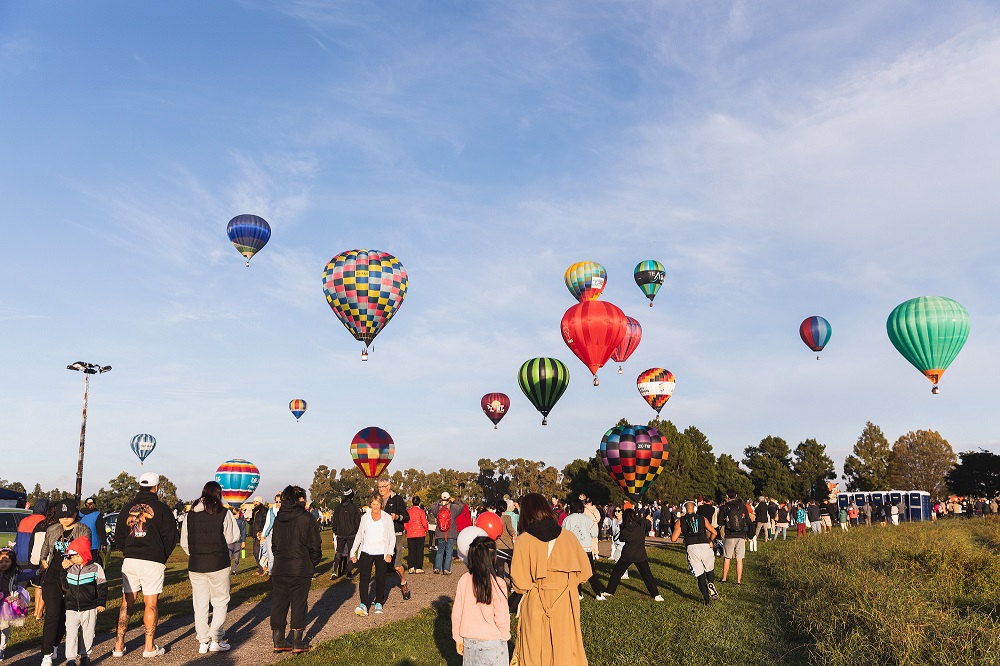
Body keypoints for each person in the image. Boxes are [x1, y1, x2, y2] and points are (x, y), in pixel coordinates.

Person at [510, 493, 590, 666]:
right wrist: (567, 582)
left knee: (535, 650)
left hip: (536, 600)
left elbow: (520, 584)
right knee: (565, 647)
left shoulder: (523, 541)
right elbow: (584, 572)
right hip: (565, 600)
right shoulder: (568, 537)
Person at [112, 472, 178, 658]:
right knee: (150, 603)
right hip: (152, 561)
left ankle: (118, 646)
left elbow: (119, 537)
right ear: (156, 487)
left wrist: (128, 551)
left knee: (126, 603)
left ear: (139, 486)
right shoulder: (163, 509)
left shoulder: (126, 508)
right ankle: (149, 647)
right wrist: (162, 555)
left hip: (130, 560)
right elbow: (171, 538)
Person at [180, 481, 242, 654]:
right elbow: (233, 537)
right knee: (220, 601)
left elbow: (184, 542)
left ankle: (203, 640)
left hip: (196, 564)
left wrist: (196, 553)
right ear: (218, 494)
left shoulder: (190, 515)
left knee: (200, 603)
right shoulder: (224, 513)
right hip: (218, 562)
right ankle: (216, 638)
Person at [39, 498, 93, 666]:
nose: (65, 519)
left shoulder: (83, 530)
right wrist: (43, 560)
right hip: (52, 577)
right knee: (53, 614)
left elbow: (86, 554)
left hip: (73, 578)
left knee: (65, 615)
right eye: (61, 516)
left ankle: (56, 645)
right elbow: (45, 548)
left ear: (75, 514)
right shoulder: (52, 529)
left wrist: (71, 561)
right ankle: (47, 653)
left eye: (68, 515)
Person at [270, 485, 322, 653]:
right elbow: (315, 545)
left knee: (279, 604)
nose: (305, 501)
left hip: (280, 567)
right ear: (298, 499)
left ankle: (278, 640)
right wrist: (312, 563)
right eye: (303, 498)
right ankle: (297, 642)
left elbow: (274, 545)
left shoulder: (278, 518)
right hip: (300, 567)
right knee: (299, 604)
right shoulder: (307, 518)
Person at [451, 536, 510, 665]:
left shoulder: (464, 579)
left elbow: (457, 612)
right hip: (493, 642)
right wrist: (505, 636)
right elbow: (502, 616)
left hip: (469, 642)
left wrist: (458, 637)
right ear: (493, 557)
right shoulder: (498, 583)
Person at [59, 536, 107, 665]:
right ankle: (71, 659)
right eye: (72, 557)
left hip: (89, 607)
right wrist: (63, 571)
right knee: (71, 633)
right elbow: (65, 586)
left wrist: (101, 602)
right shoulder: (71, 568)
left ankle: (85, 655)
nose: (74, 559)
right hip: (71, 607)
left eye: (77, 556)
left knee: (88, 633)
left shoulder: (96, 568)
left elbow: (102, 586)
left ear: (85, 553)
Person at [603, 507, 663, 602]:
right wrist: (645, 517)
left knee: (616, 573)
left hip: (627, 555)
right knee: (647, 576)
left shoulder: (624, 528)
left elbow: (621, 539)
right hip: (640, 555)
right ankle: (656, 595)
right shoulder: (641, 524)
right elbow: (648, 522)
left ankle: (609, 591)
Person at [350, 495, 396, 617]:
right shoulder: (365, 517)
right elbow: (359, 535)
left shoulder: (387, 518)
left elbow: (392, 537)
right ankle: (363, 603)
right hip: (366, 551)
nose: (375, 507)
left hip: (382, 553)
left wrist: (389, 553)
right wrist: (353, 552)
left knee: (380, 578)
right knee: (364, 578)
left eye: (378, 504)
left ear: (381, 505)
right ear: (370, 504)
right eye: (373, 504)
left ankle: (378, 602)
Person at [671, 500, 719, 605]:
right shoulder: (702, 518)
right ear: (695, 509)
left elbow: (673, 539)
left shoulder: (680, 521)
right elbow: (714, 532)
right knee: (709, 569)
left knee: (700, 575)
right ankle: (711, 583)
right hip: (705, 545)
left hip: (692, 547)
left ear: (684, 509)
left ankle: (707, 600)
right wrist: (710, 541)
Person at [561, 499, 606, 601]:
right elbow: (594, 533)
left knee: (575, 572)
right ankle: (598, 593)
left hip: (573, 550)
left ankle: (578, 593)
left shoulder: (567, 520)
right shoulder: (587, 519)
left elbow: (563, 534)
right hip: (586, 549)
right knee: (591, 571)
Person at [377, 478, 411, 601]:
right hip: (381, 536)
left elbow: (406, 517)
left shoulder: (397, 499)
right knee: (381, 565)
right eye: (379, 487)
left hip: (396, 534)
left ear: (389, 486)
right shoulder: (377, 499)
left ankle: (403, 582)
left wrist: (397, 517)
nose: (381, 489)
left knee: (397, 566)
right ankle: (380, 594)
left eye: (383, 486)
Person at [1, 547, 31, 663]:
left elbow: (27, 575)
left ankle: (1, 648)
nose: (3, 564)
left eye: (7, 561)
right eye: (1, 561)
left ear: (12, 562)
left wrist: (39, 571)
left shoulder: (15, 574)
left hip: (7, 606)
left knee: (5, 629)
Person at [719, 489, 751, 584]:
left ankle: (724, 578)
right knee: (739, 559)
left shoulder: (725, 507)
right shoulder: (742, 506)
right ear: (736, 495)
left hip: (729, 534)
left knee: (727, 557)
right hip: (741, 534)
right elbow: (747, 519)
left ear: (727, 496)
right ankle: (738, 580)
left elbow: (719, 522)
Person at [331, 488, 361, 580]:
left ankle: (334, 571)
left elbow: (334, 520)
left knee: (338, 552)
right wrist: (357, 531)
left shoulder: (339, 507)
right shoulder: (354, 507)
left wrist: (335, 531)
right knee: (350, 552)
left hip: (340, 534)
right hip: (351, 534)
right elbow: (358, 521)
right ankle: (348, 572)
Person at [430, 493, 458, 575]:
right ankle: (446, 569)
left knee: (440, 551)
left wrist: (439, 501)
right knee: (449, 552)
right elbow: (461, 506)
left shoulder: (437, 508)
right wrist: (454, 500)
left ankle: (437, 568)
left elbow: (432, 506)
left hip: (440, 533)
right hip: (450, 533)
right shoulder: (453, 508)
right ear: (449, 499)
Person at [77, 498, 107, 566]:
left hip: (79, 543)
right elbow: (101, 531)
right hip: (93, 545)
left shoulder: (78, 514)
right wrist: (104, 544)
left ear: (84, 505)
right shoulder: (97, 514)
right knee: (93, 564)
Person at [405, 496, 429, 574]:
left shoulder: (408, 511)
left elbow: (405, 522)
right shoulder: (421, 511)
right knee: (419, 551)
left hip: (410, 533)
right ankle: (418, 567)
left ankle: (411, 567)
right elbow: (424, 522)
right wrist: (426, 529)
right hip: (420, 533)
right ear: (419, 502)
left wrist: (407, 530)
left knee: (411, 551)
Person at [495, 499, 517, 581]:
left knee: (500, 568)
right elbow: (510, 529)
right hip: (507, 546)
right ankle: (512, 585)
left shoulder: (494, 517)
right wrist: (514, 534)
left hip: (498, 546)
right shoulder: (507, 518)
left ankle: (501, 585)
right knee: (511, 567)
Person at [261, 493, 282, 575]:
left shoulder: (285, 511)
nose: (278, 503)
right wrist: (263, 536)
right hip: (270, 535)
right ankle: (271, 573)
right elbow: (267, 523)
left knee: (280, 555)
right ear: (274, 501)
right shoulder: (271, 511)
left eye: (280, 501)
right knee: (270, 556)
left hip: (281, 535)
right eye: (277, 502)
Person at [251, 497, 268, 576]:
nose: (255, 503)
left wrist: (262, 533)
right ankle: (261, 569)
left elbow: (265, 522)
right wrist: (249, 520)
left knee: (259, 552)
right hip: (255, 534)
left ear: (260, 502)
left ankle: (263, 569)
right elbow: (253, 523)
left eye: (256, 501)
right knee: (255, 553)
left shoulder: (264, 510)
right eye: (254, 501)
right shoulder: (254, 511)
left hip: (260, 535)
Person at [581, 495, 601, 559]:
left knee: (589, 540)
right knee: (595, 540)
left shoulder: (584, 509)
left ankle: (591, 554)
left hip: (587, 526)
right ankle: (596, 554)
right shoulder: (595, 509)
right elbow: (598, 518)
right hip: (594, 525)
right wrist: (594, 521)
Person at [230, 507, 247, 575]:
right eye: (236, 514)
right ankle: (228, 570)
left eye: (238, 514)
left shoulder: (241, 522)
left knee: (236, 557)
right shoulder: (229, 521)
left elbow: (243, 532)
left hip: (238, 541)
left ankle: (235, 570)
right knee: (229, 557)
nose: (238, 515)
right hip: (230, 541)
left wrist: (243, 541)